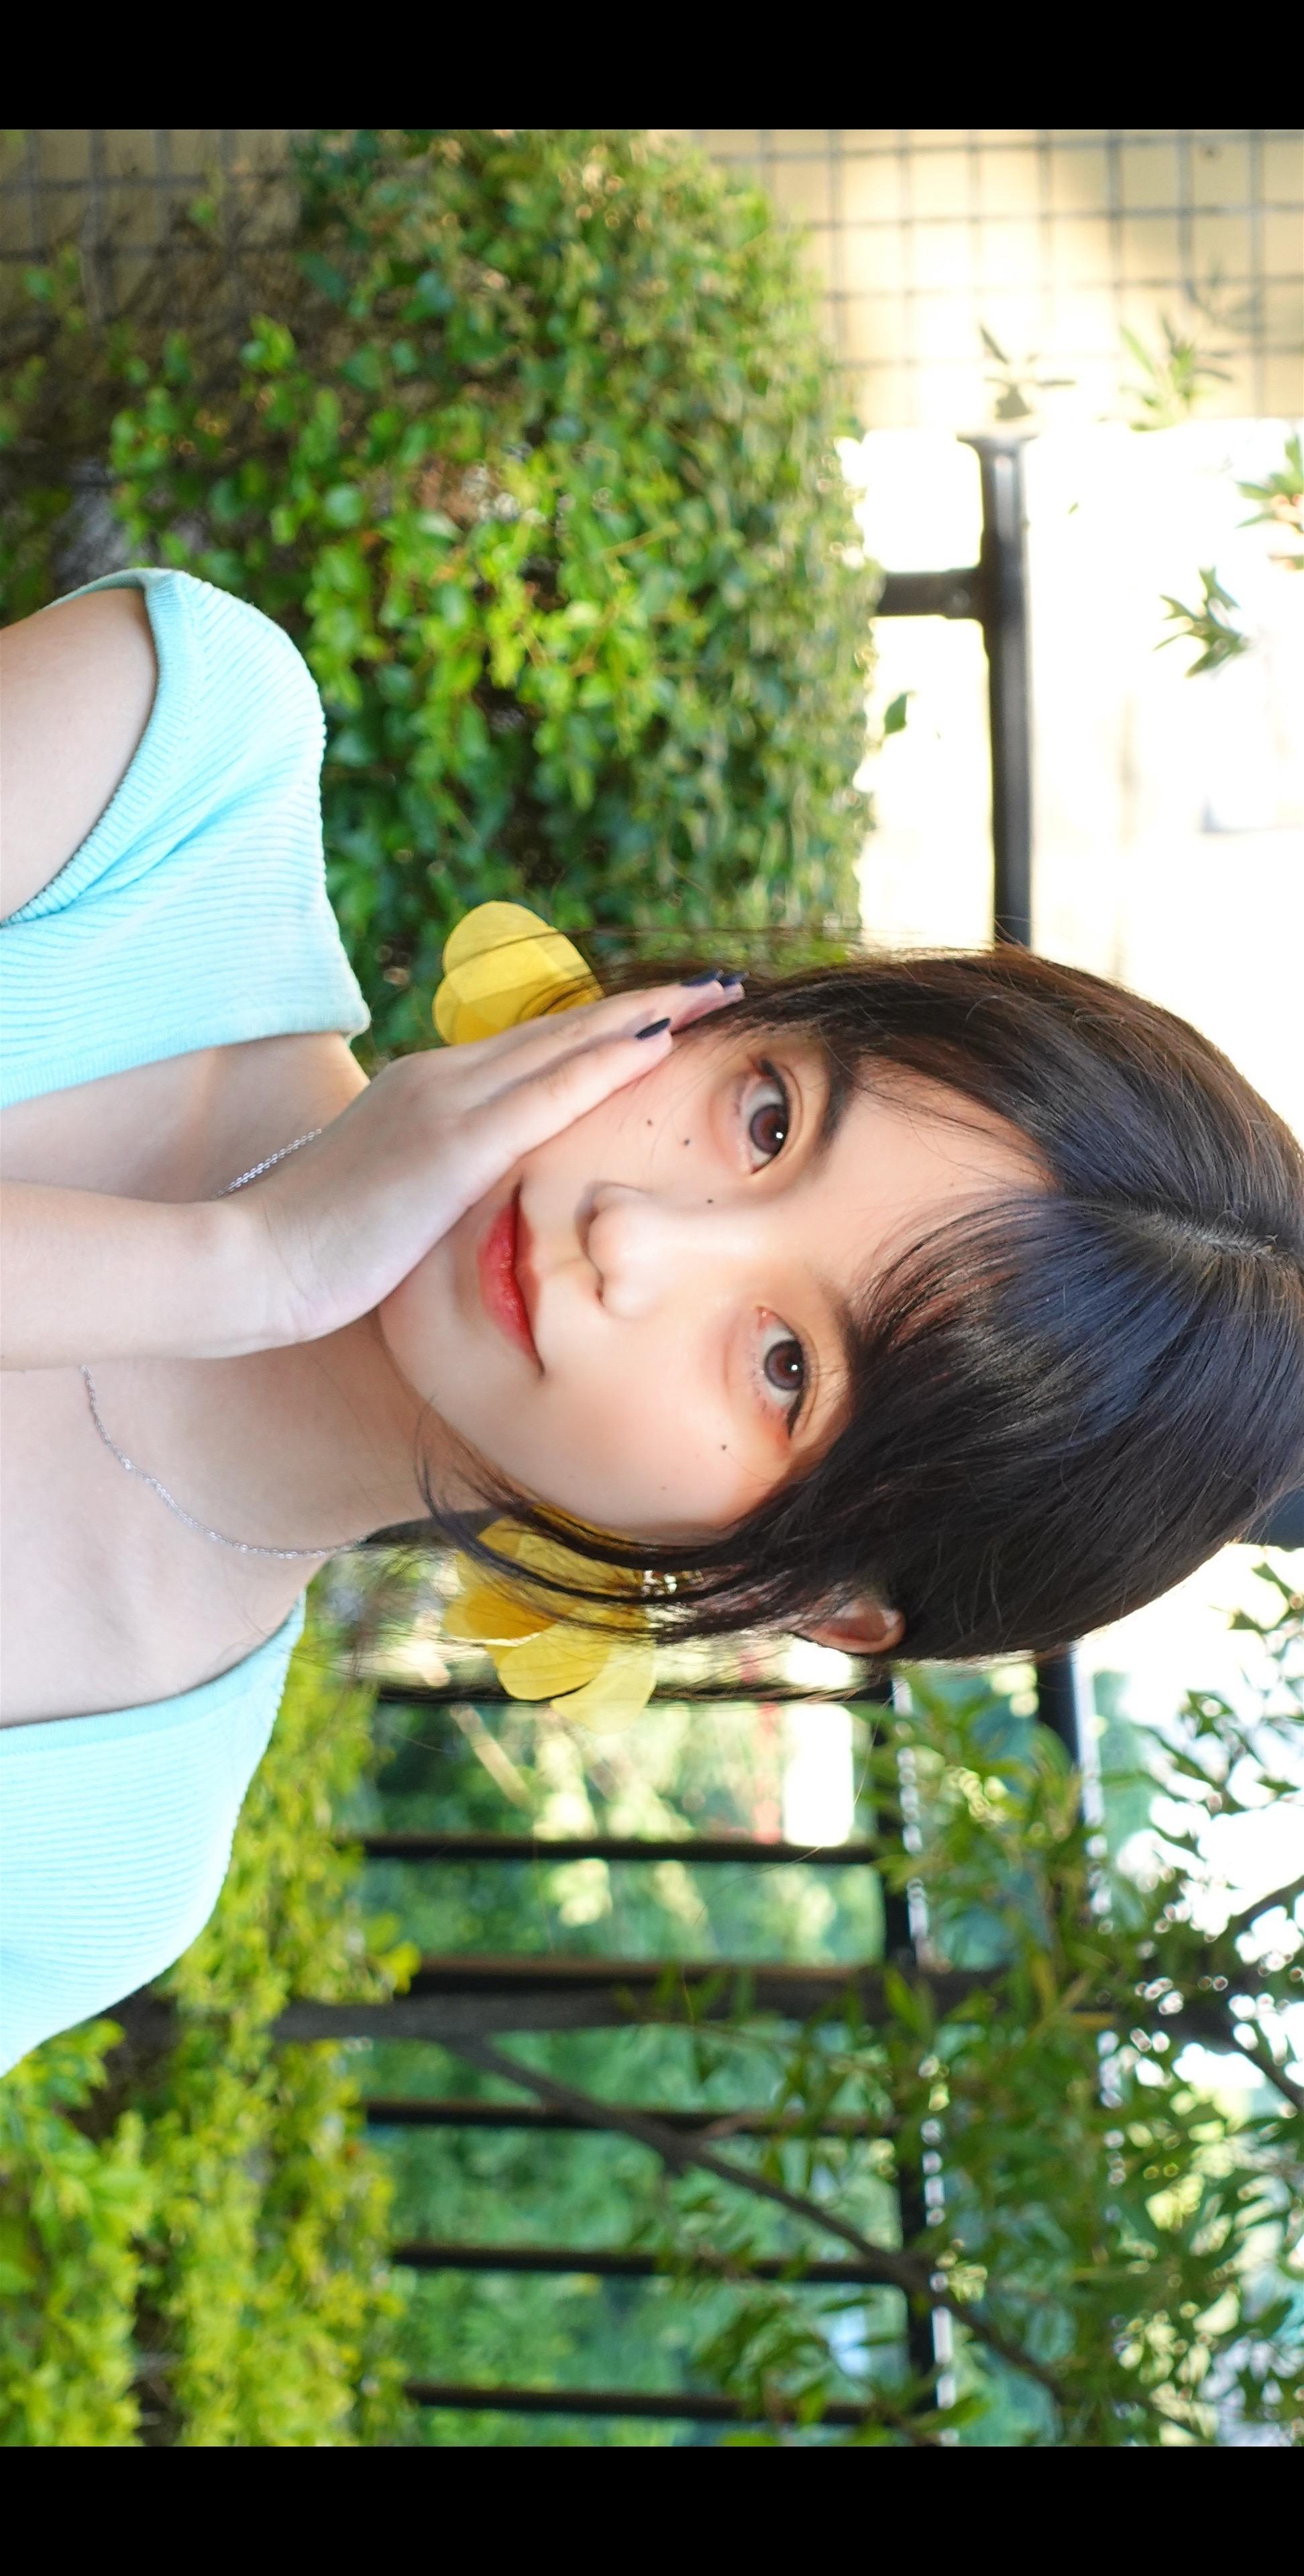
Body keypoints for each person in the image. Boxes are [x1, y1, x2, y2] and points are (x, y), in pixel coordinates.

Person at [2, 568, 1301, 2074]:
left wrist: (249, 1274)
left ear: (828, 1600)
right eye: (768, 1118)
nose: (635, 1235)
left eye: (786, 1367)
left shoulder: (87, 1850)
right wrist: (237, 1264)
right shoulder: (168, 773)